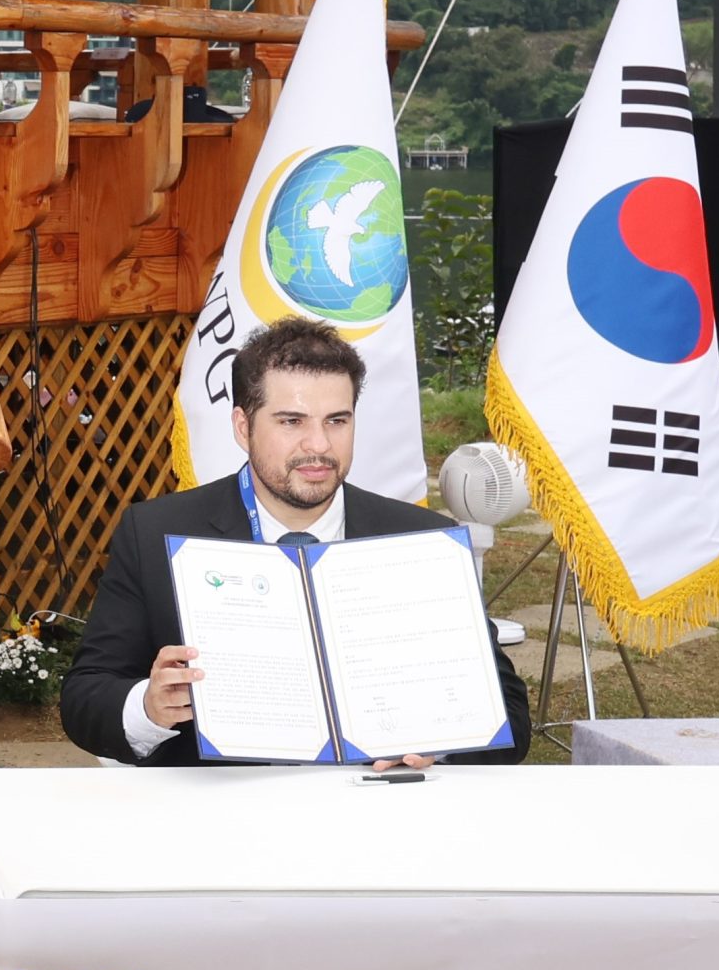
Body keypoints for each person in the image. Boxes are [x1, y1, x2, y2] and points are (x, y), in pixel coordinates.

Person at [60, 316, 531, 768]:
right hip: (221, 807)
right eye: (291, 422)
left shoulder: (420, 540)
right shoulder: (157, 532)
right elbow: (85, 698)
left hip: (379, 802)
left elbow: (511, 717)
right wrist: (149, 707)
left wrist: (440, 742)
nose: (319, 445)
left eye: (337, 421)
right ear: (243, 427)